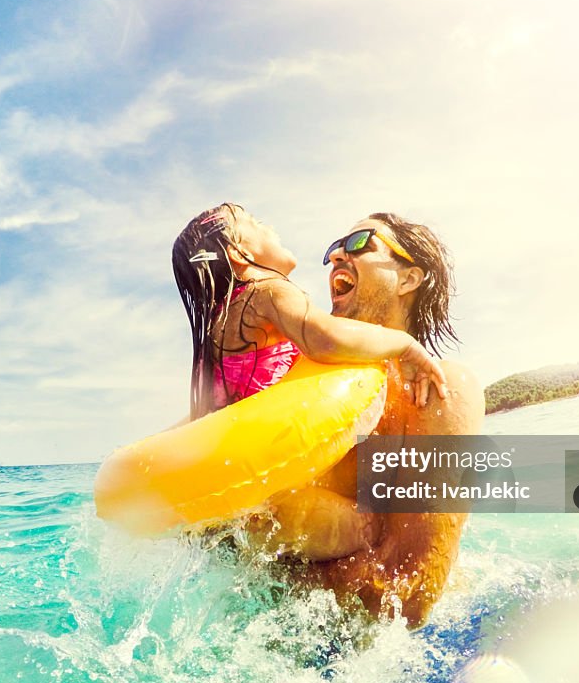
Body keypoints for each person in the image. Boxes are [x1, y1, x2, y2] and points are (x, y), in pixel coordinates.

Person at [251, 213, 485, 630]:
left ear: (408, 279)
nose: (337, 254)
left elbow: (409, 595)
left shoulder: (438, 391)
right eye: (335, 247)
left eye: (361, 242)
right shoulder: (303, 381)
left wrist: (271, 567)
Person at [171, 203, 449, 420]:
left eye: (358, 243)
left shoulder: (221, 322)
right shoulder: (269, 292)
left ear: (410, 280)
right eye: (256, 223)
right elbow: (325, 340)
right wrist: (406, 347)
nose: (270, 228)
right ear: (238, 251)